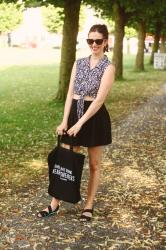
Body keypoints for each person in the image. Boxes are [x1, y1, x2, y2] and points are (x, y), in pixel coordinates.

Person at [37, 24, 115, 221]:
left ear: (105, 42)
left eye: (98, 41)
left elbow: (98, 100)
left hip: (94, 118)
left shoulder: (109, 67)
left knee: (95, 164)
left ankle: (88, 206)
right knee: (66, 160)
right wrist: (65, 121)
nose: (94, 44)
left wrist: (80, 123)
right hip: (73, 113)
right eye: (90, 40)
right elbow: (70, 93)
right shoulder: (78, 63)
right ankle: (54, 204)